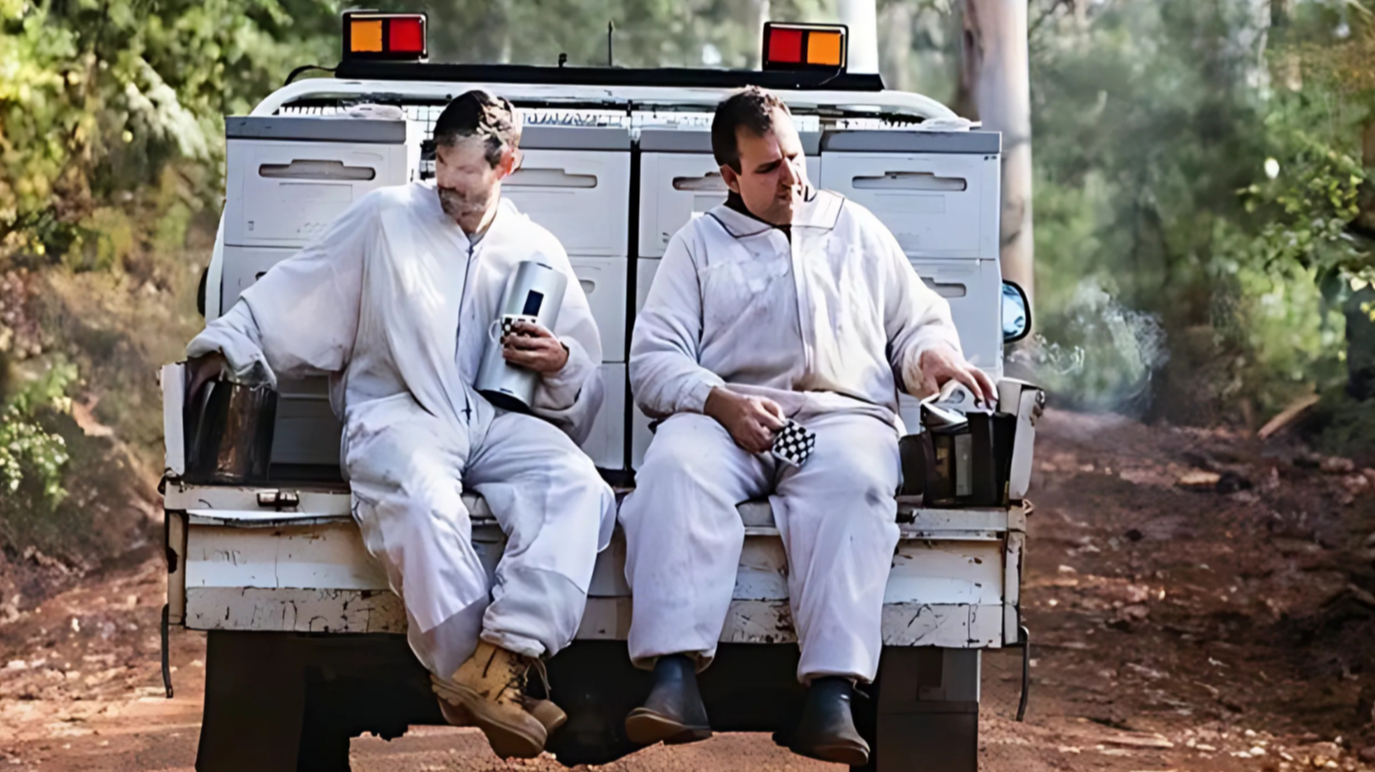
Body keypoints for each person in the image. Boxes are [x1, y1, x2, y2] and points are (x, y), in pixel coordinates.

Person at [185, 91, 615, 760]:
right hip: (400, 411)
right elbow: (301, 289)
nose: (453, 196)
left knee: (577, 490)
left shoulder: (537, 249)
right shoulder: (386, 218)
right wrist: (223, 344)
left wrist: (559, 361)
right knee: (418, 503)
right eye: (443, 176)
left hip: (497, 422)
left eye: (468, 187)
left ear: (509, 167)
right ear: (435, 158)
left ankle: (502, 660)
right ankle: (478, 677)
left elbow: (581, 400)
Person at [619, 86, 995, 767]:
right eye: (767, 168)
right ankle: (672, 678)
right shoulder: (697, 246)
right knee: (672, 467)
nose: (790, 177)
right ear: (728, 176)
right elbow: (652, 364)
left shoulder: (854, 228)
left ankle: (832, 693)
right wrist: (717, 401)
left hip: (840, 420)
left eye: (793, 158)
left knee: (855, 481)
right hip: (726, 423)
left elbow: (915, 326)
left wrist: (932, 358)